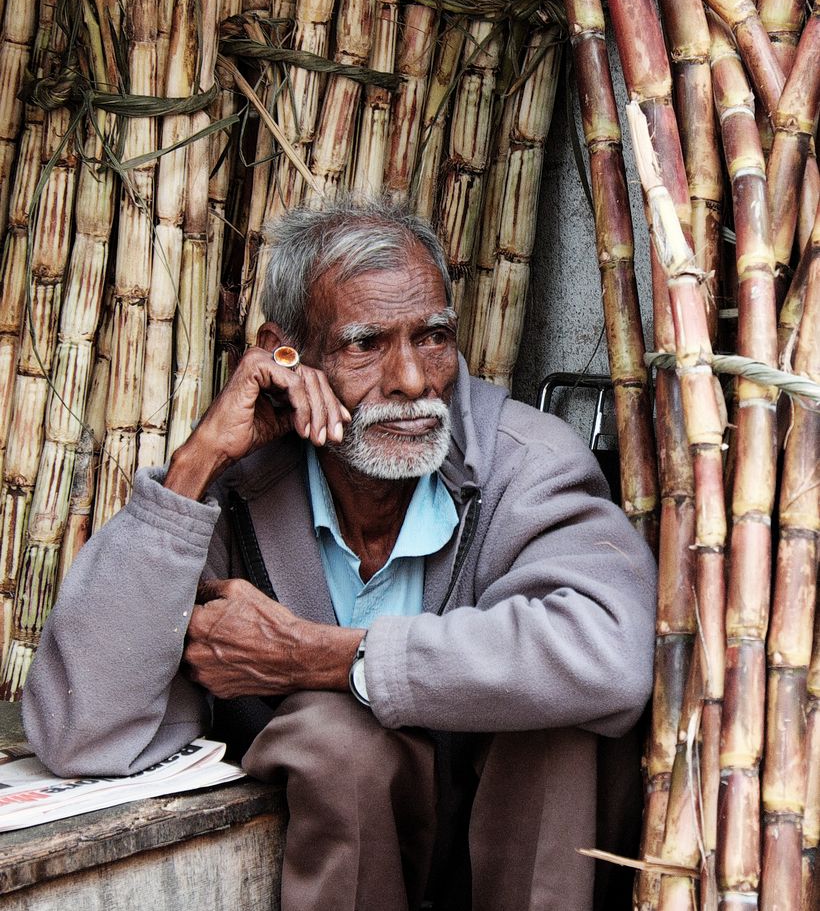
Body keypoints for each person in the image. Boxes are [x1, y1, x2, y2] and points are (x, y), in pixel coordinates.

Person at [22, 198, 657, 911]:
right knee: (336, 740)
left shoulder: (523, 464)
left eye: (433, 337)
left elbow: (610, 655)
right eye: (366, 344)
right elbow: (83, 732)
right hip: (345, 862)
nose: (413, 381)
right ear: (285, 352)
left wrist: (325, 656)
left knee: (557, 721)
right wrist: (196, 463)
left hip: (507, 860)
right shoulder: (237, 497)